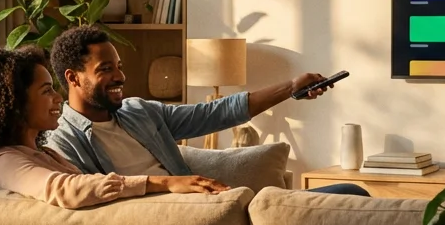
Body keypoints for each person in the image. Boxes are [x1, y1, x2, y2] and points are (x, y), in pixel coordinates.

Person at [44, 26, 367, 195]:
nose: (120, 77)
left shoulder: (138, 112)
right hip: (181, 216)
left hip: (209, 202)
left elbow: (214, 113)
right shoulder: (64, 142)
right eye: (106, 69)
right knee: (347, 194)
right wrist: (167, 188)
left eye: (119, 66)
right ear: (73, 78)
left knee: (350, 191)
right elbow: (91, 197)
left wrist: (289, 87)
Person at [0, 47, 231, 209]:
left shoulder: (43, 154)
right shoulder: (4, 162)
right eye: (46, 91)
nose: (58, 97)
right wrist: (163, 183)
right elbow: (64, 190)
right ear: (15, 104)